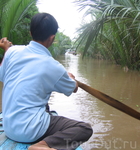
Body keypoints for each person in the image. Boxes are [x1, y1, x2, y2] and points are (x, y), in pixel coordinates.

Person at [0, 13, 93, 150]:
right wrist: (71, 78)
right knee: (84, 129)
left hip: (9, 128)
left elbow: (3, 76)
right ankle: (43, 145)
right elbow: (73, 88)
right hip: (31, 132)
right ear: (52, 38)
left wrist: (7, 51)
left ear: (31, 33)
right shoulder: (53, 66)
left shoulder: (11, 52)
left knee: (44, 105)